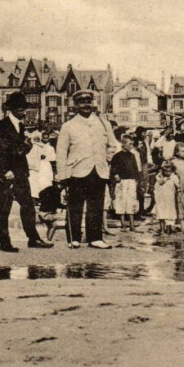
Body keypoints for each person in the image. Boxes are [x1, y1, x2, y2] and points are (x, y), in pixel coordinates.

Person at [0, 94, 53, 252]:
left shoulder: (20, 126)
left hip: (20, 173)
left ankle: (33, 239)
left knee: (27, 206)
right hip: (7, 174)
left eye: (24, 108)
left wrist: (26, 145)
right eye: (21, 109)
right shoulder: (1, 127)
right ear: (12, 109)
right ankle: (4, 242)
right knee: (4, 208)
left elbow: (18, 151)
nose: (24, 112)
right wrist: (5, 171)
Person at [55, 89, 119, 249]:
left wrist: (107, 158)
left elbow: (113, 145)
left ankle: (95, 238)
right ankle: (74, 238)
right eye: (82, 102)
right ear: (76, 105)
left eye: (88, 102)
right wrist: (62, 175)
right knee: (75, 205)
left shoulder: (104, 123)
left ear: (92, 103)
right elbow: (61, 152)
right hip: (76, 170)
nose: (86, 105)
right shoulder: (68, 126)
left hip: (99, 170)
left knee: (96, 206)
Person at [110, 134, 141, 232]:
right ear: (123, 144)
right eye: (129, 144)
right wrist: (116, 176)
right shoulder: (117, 156)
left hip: (131, 181)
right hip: (121, 181)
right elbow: (113, 168)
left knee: (131, 201)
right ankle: (123, 224)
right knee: (121, 201)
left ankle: (132, 224)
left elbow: (135, 168)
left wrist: (136, 180)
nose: (131, 146)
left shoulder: (132, 155)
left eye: (132, 144)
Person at [154, 160, 179, 235]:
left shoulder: (174, 177)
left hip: (170, 198)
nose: (168, 173)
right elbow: (160, 183)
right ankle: (162, 229)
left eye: (169, 171)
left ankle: (169, 229)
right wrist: (163, 178)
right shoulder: (159, 176)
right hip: (161, 198)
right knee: (161, 213)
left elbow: (178, 185)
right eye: (166, 171)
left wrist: (179, 190)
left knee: (169, 213)